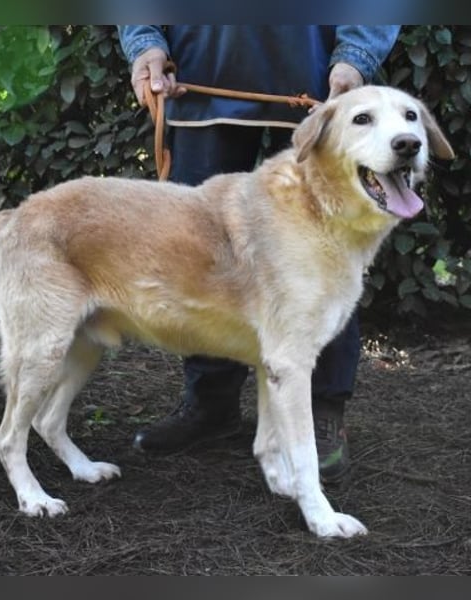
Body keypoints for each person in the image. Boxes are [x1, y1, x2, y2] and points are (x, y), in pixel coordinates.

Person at [117, 25, 401, 484]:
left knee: (325, 256)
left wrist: (356, 55)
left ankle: (320, 411)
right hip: (200, 78)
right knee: (202, 255)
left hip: (321, 84)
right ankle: (211, 402)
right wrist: (144, 41)